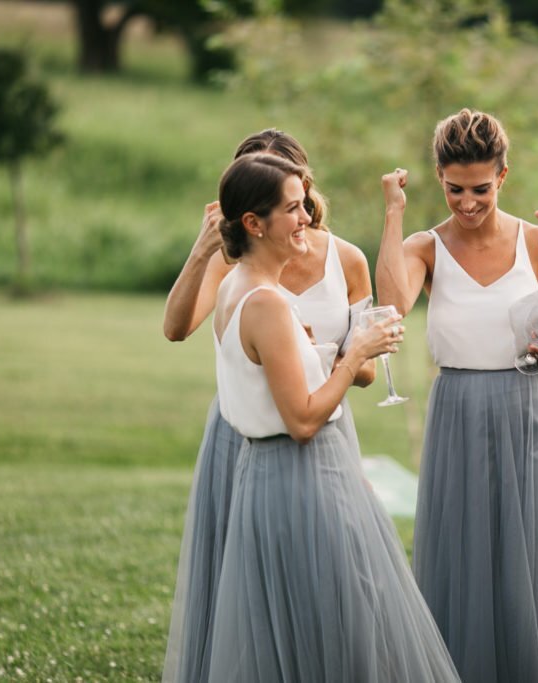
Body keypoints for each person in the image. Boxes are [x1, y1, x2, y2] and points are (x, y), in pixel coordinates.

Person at [376, 108, 538, 683]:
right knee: (464, 562)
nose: (467, 202)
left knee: (532, 564)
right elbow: (391, 305)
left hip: (530, 410)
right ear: (439, 177)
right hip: (456, 415)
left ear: (503, 177)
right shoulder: (424, 248)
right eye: (455, 188)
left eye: (480, 188)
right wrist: (393, 213)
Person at [203, 152, 459, 681]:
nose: (307, 218)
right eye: (293, 209)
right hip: (304, 480)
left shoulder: (237, 288)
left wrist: (320, 355)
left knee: (298, 640)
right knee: (341, 630)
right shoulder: (266, 303)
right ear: (254, 223)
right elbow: (302, 419)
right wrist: (356, 352)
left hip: (266, 478)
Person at [161, 130, 374, 683]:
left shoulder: (345, 258)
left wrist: (311, 353)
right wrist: (204, 247)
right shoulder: (236, 270)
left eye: (298, 194)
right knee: (243, 590)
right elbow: (177, 327)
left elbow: (368, 370)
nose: (298, 210)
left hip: (318, 432)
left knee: (327, 589)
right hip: (244, 433)